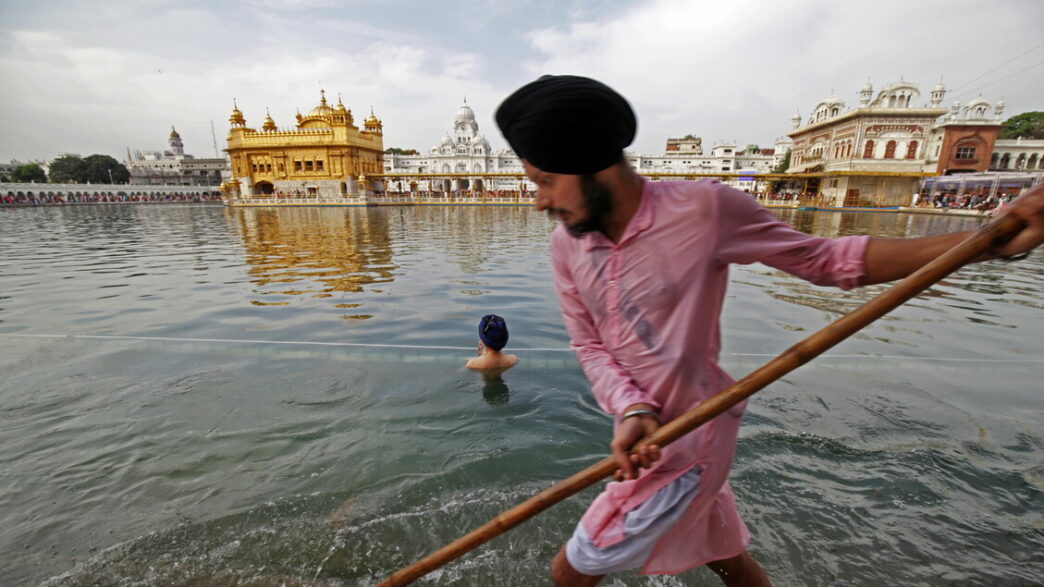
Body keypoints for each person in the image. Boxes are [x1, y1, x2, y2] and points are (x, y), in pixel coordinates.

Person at [494, 74, 1044, 587]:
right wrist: (632, 409)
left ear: (594, 165)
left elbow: (832, 261)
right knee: (725, 558)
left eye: (546, 181)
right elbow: (590, 344)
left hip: (696, 433)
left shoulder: (705, 209)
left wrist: (988, 242)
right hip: (647, 434)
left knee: (570, 572)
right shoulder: (568, 246)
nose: (540, 200)